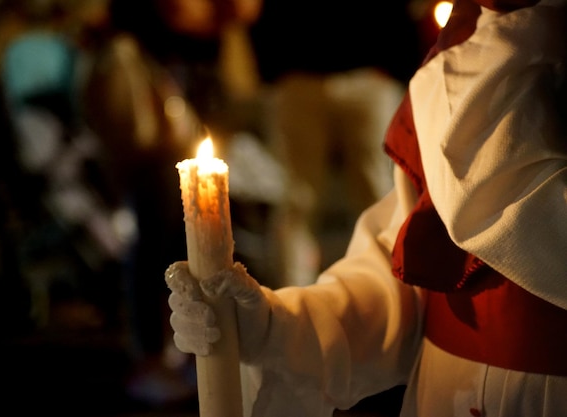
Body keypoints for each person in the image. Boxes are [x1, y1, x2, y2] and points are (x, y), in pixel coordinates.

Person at [164, 0, 567, 416]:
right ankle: (292, 275)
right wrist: (275, 327)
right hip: (447, 395)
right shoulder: (463, 59)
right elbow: (402, 275)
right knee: (300, 203)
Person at [248, 0, 422, 286]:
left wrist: (398, 64)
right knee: (296, 198)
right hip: (298, 77)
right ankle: (292, 296)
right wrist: (272, 68)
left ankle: (393, 288)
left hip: (367, 75)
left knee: (379, 192)